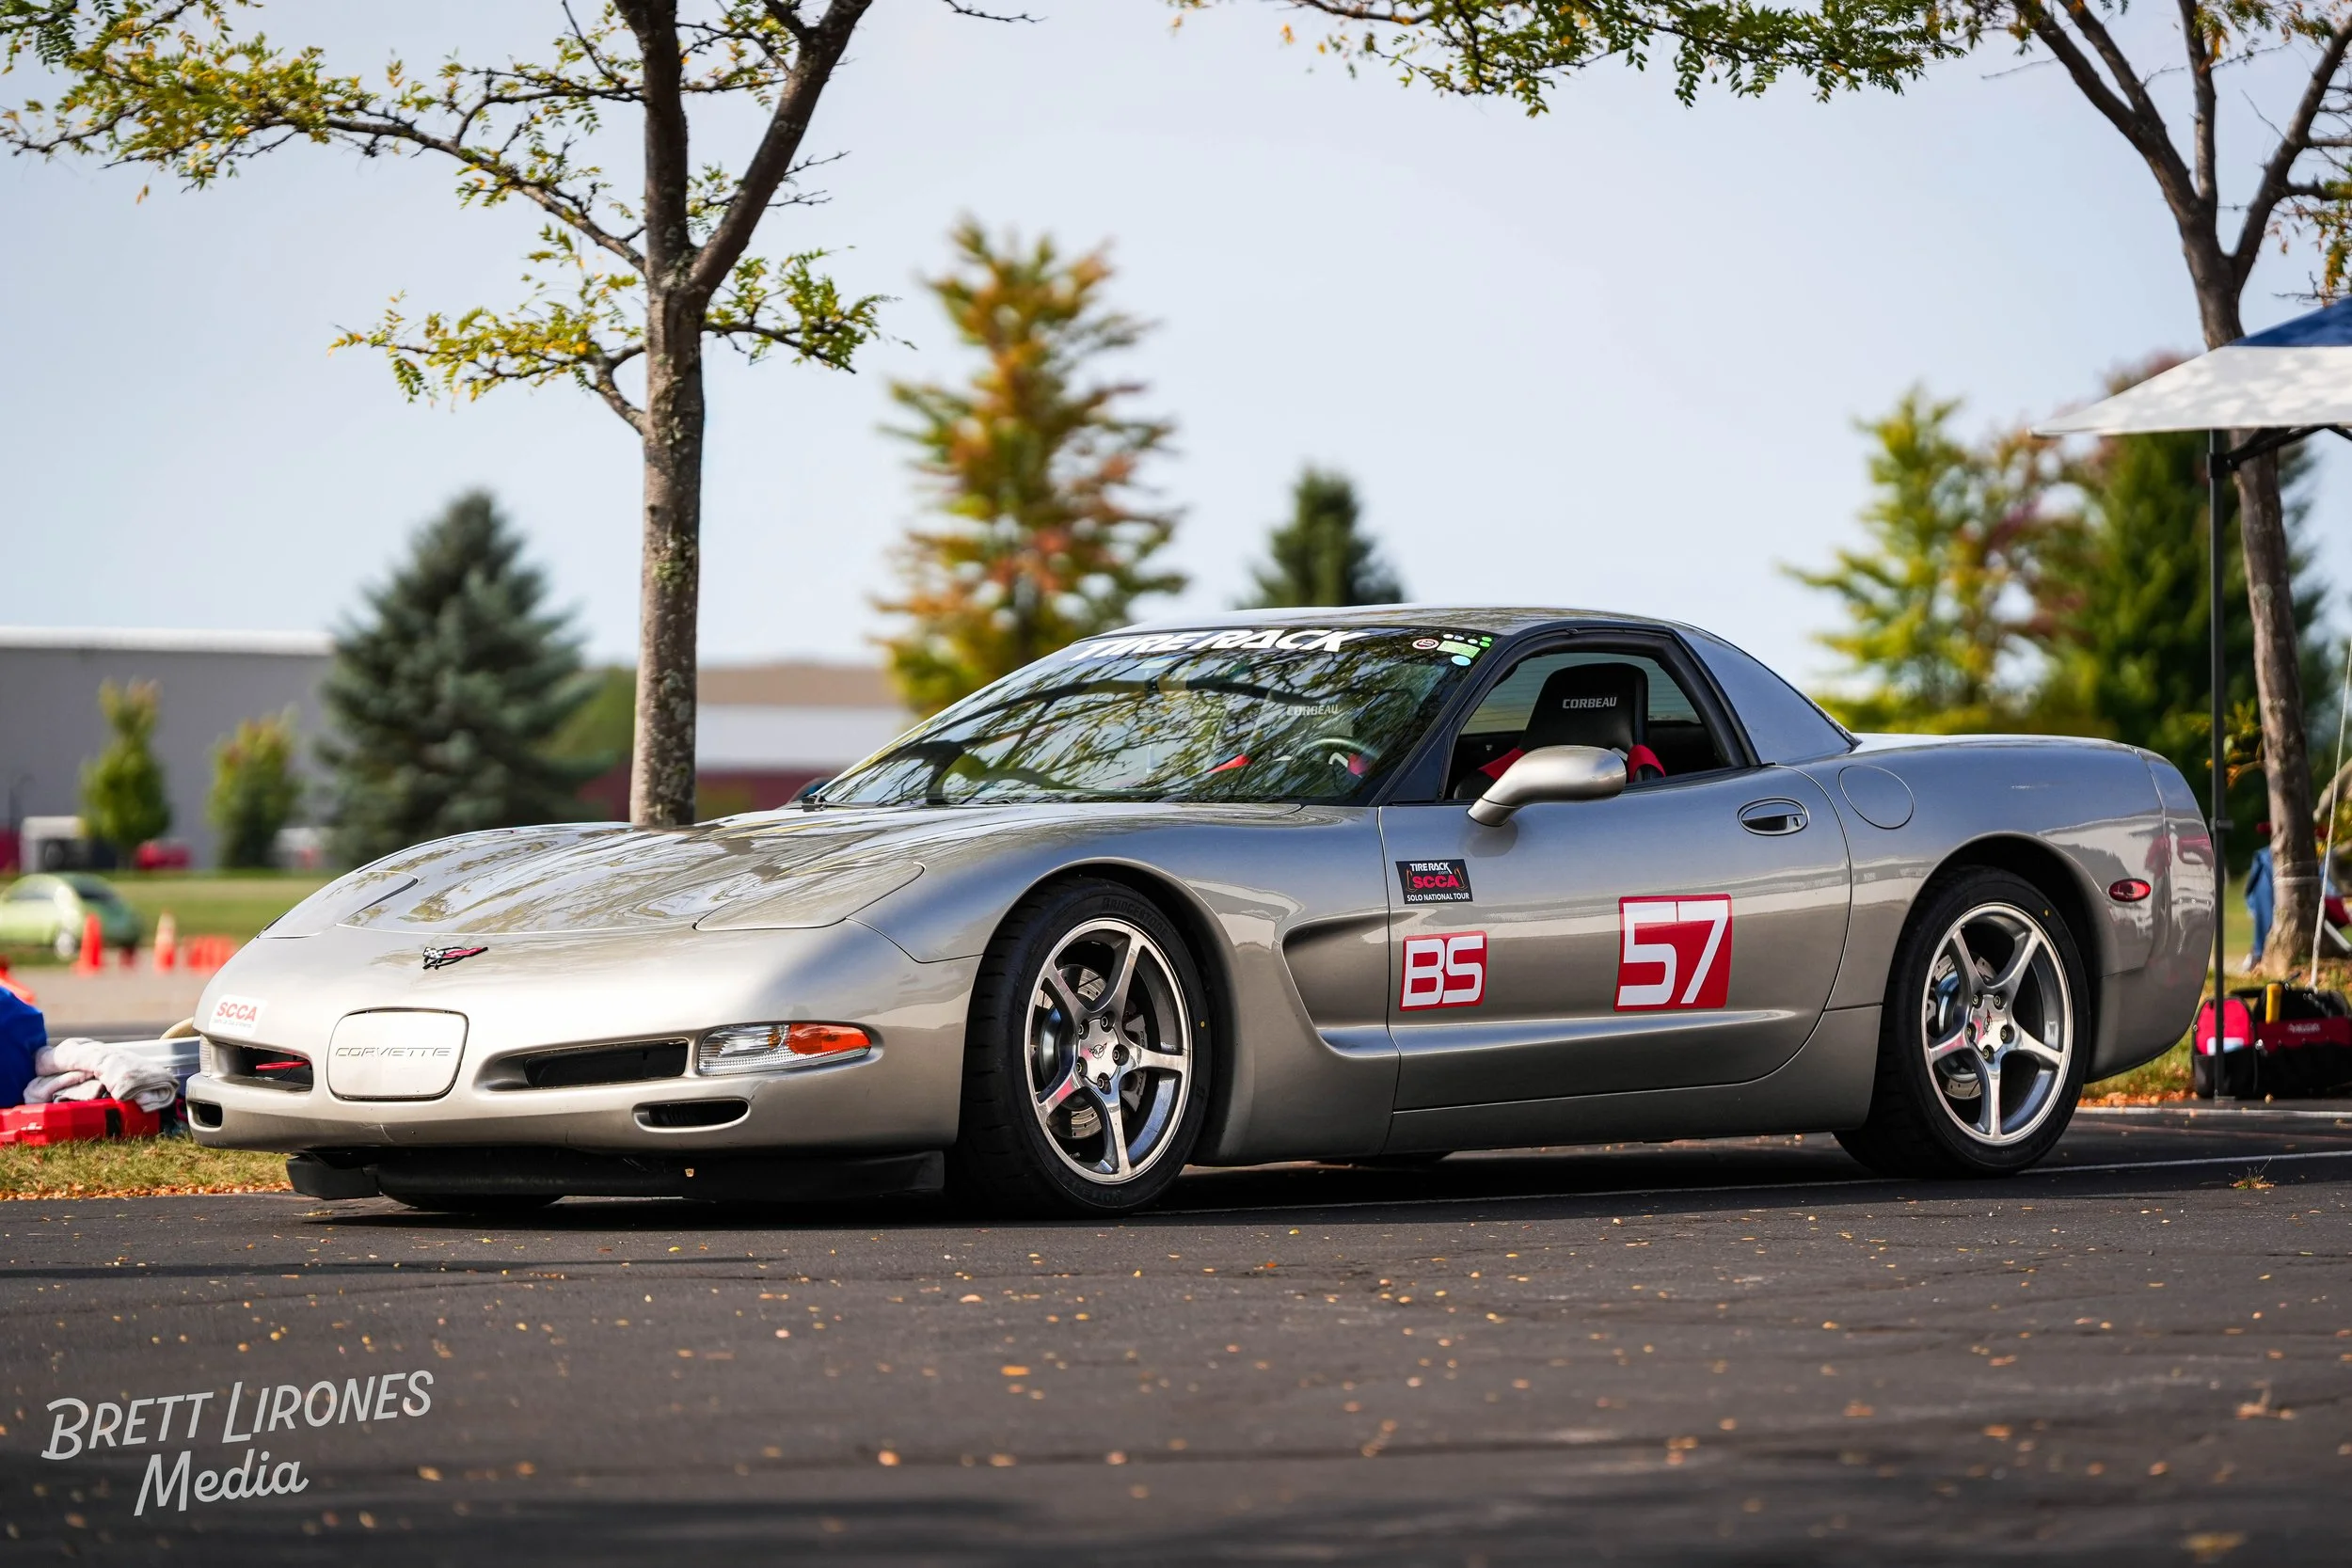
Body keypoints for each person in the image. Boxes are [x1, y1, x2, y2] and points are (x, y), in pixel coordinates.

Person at [2246, 822, 2275, 971]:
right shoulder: (2264, 858)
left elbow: (2250, 887)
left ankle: (2258, 955)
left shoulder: (2263, 857)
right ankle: (2258, 955)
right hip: (2266, 902)